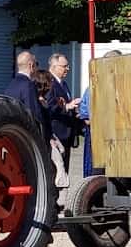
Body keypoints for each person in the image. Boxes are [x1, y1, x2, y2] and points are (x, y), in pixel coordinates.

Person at [78, 49, 122, 177]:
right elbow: (85, 114)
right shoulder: (95, 86)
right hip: (99, 136)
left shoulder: (123, 84)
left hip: (118, 136)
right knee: (97, 173)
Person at [48, 53, 81, 175]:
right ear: (54, 66)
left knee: (65, 169)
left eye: (68, 66)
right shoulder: (49, 83)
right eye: (64, 66)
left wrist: (74, 109)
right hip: (56, 132)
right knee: (57, 170)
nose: (67, 68)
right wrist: (67, 107)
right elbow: (50, 106)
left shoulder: (63, 83)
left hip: (66, 132)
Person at [4, 50, 44, 124]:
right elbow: (33, 114)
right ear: (31, 65)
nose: (37, 68)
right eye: (36, 64)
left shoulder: (11, 84)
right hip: (26, 130)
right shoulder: (28, 85)